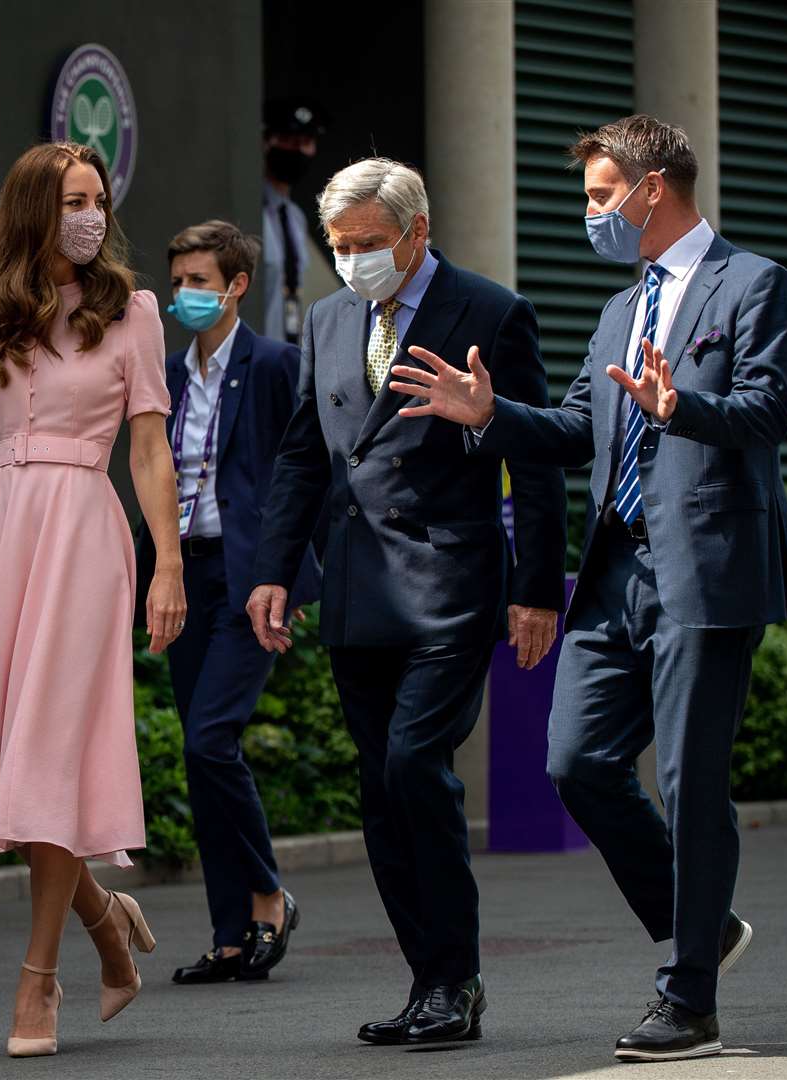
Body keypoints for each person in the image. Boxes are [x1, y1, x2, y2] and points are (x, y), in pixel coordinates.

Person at [387, 114, 787, 1062]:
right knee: (574, 761)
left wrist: (680, 406)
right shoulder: (623, 309)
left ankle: (687, 996)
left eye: (598, 195)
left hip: (707, 568)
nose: (589, 214)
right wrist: (489, 415)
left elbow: (766, 411)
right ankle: (702, 922)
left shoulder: (754, 283)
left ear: (651, 189)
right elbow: (579, 427)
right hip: (617, 572)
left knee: (690, 781)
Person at [247, 158, 567, 1046]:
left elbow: (534, 461)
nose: (351, 262)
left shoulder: (492, 311)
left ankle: (454, 978)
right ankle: (429, 982)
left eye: (367, 245)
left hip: (450, 585)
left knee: (412, 768)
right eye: (338, 247)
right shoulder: (326, 316)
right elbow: (303, 456)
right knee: (380, 792)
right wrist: (275, 569)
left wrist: (536, 589)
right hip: (357, 588)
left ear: (416, 232)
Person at [0, 141, 184, 1058]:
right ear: (34, 209)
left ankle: (38, 984)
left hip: (85, 533)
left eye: (100, 200)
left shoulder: (133, 311)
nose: (93, 215)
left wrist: (167, 567)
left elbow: (150, 450)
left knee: (46, 751)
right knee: (15, 760)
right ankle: (107, 924)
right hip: (11, 536)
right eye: (74, 199)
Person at [134, 220, 321, 986]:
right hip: (183, 577)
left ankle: (269, 896)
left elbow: (305, 472)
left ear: (237, 285)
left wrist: (288, 578)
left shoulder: (275, 365)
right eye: (178, 281)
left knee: (210, 741)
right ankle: (229, 934)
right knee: (200, 751)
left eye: (200, 282)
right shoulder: (164, 374)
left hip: (248, 583)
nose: (185, 296)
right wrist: (153, 576)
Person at [261, 98, 327, 345]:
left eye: (305, 142)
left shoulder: (295, 217)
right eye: (288, 140)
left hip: (287, 349)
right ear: (267, 141)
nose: (297, 150)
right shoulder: (250, 213)